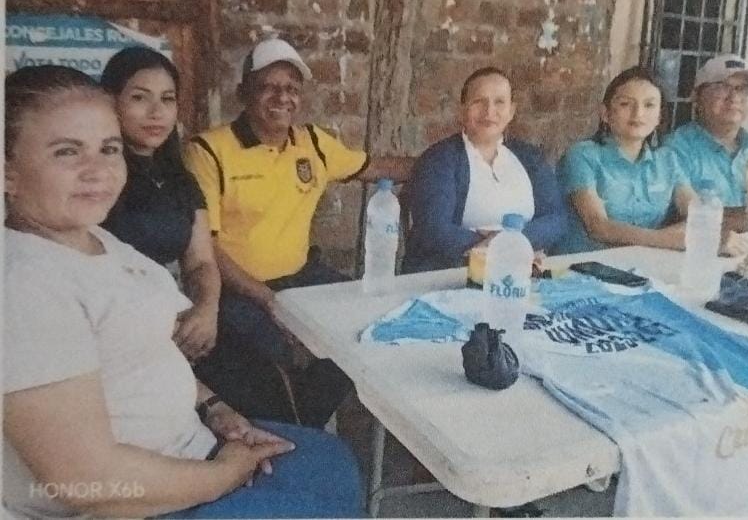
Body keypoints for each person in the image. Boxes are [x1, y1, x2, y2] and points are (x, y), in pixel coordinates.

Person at [3, 65, 363, 519]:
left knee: (331, 464)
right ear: (8, 173)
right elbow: (80, 480)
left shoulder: (96, 240)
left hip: (190, 446)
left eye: (109, 149)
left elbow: (150, 350)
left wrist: (216, 409)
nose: (97, 170)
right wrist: (223, 476)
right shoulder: (24, 282)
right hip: (133, 502)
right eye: (66, 152)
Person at [183, 36, 414, 427]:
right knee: (276, 356)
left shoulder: (313, 143)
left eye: (291, 88)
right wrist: (269, 300)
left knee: (368, 325)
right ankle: (292, 427)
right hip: (236, 289)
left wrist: (452, 161)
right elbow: (207, 247)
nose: (282, 97)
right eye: (268, 87)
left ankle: (307, 425)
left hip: (302, 277)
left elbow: (377, 167)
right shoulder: (208, 151)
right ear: (243, 93)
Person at [99, 46, 299, 422]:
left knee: (266, 378)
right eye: (140, 98)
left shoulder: (179, 179)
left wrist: (207, 310)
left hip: (187, 316)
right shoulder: (99, 181)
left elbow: (201, 260)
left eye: (167, 99)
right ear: (110, 102)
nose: (156, 112)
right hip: (129, 331)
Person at [402, 66, 568, 273]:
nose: (489, 112)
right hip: (451, 273)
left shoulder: (531, 158)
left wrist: (509, 243)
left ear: (511, 111)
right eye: (479, 102)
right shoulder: (439, 160)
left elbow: (556, 218)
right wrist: (502, 249)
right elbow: (434, 229)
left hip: (520, 271)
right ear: (462, 110)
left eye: (499, 102)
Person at [557, 66, 694, 253]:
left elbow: (698, 215)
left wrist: (687, 232)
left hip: (647, 265)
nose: (638, 114)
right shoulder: (582, 156)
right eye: (625, 104)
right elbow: (599, 227)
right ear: (605, 113)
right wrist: (666, 239)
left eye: (649, 105)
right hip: (586, 265)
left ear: (659, 117)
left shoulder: (668, 160)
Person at [668, 54, 748, 229]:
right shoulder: (676, 149)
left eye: (743, 89)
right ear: (697, 96)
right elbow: (694, 216)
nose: (734, 97)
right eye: (723, 87)